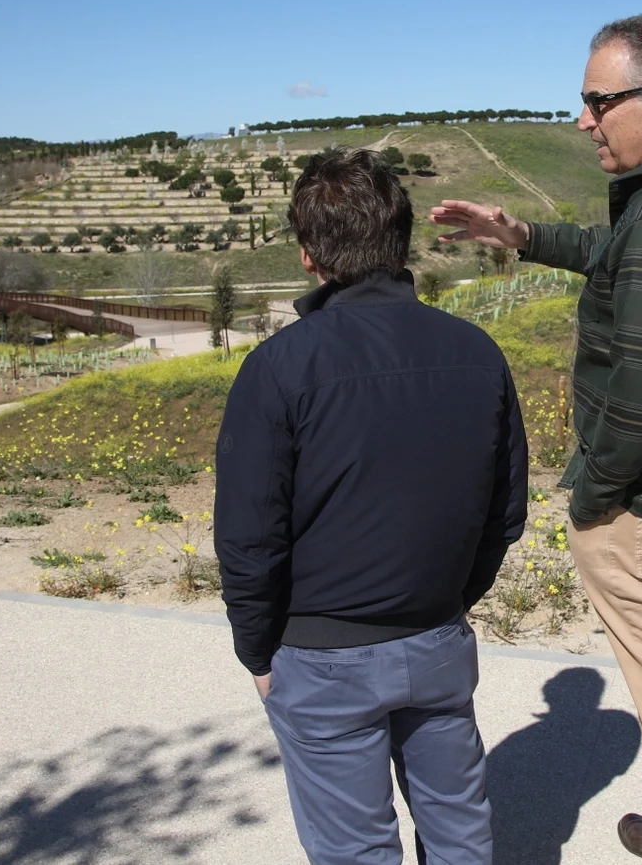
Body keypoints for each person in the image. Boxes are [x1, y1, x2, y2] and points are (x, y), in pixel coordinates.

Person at [430, 15, 642, 865]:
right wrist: (523, 237)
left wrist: (590, 498)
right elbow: (621, 254)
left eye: (597, 101)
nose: (584, 121)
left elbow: (641, 404)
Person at [216, 147, 528, 865]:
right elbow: (504, 513)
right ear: (401, 240)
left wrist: (258, 651)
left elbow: (248, 538)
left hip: (322, 655)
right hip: (437, 639)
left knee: (356, 850)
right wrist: (447, 601)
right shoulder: (477, 352)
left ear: (307, 255)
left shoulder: (279, 367)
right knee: (461, 834)